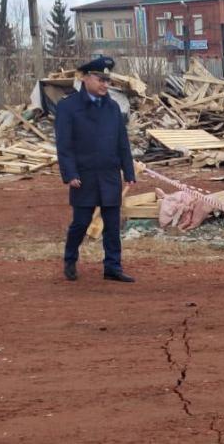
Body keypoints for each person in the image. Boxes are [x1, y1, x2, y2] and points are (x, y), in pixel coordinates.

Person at [55, 57, 136, 282]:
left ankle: (112, 267)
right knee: (81, 222)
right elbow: (64, 144)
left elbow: (122, 143)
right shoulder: (68, 107)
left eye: (107, 80)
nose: (104, 85)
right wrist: (70, 173)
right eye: (100, 79)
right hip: (84, 176)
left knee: (112, 224)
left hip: (109, 174)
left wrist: (128, 172)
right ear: (85, 78)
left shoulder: (113, 108)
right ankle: (70, 259)